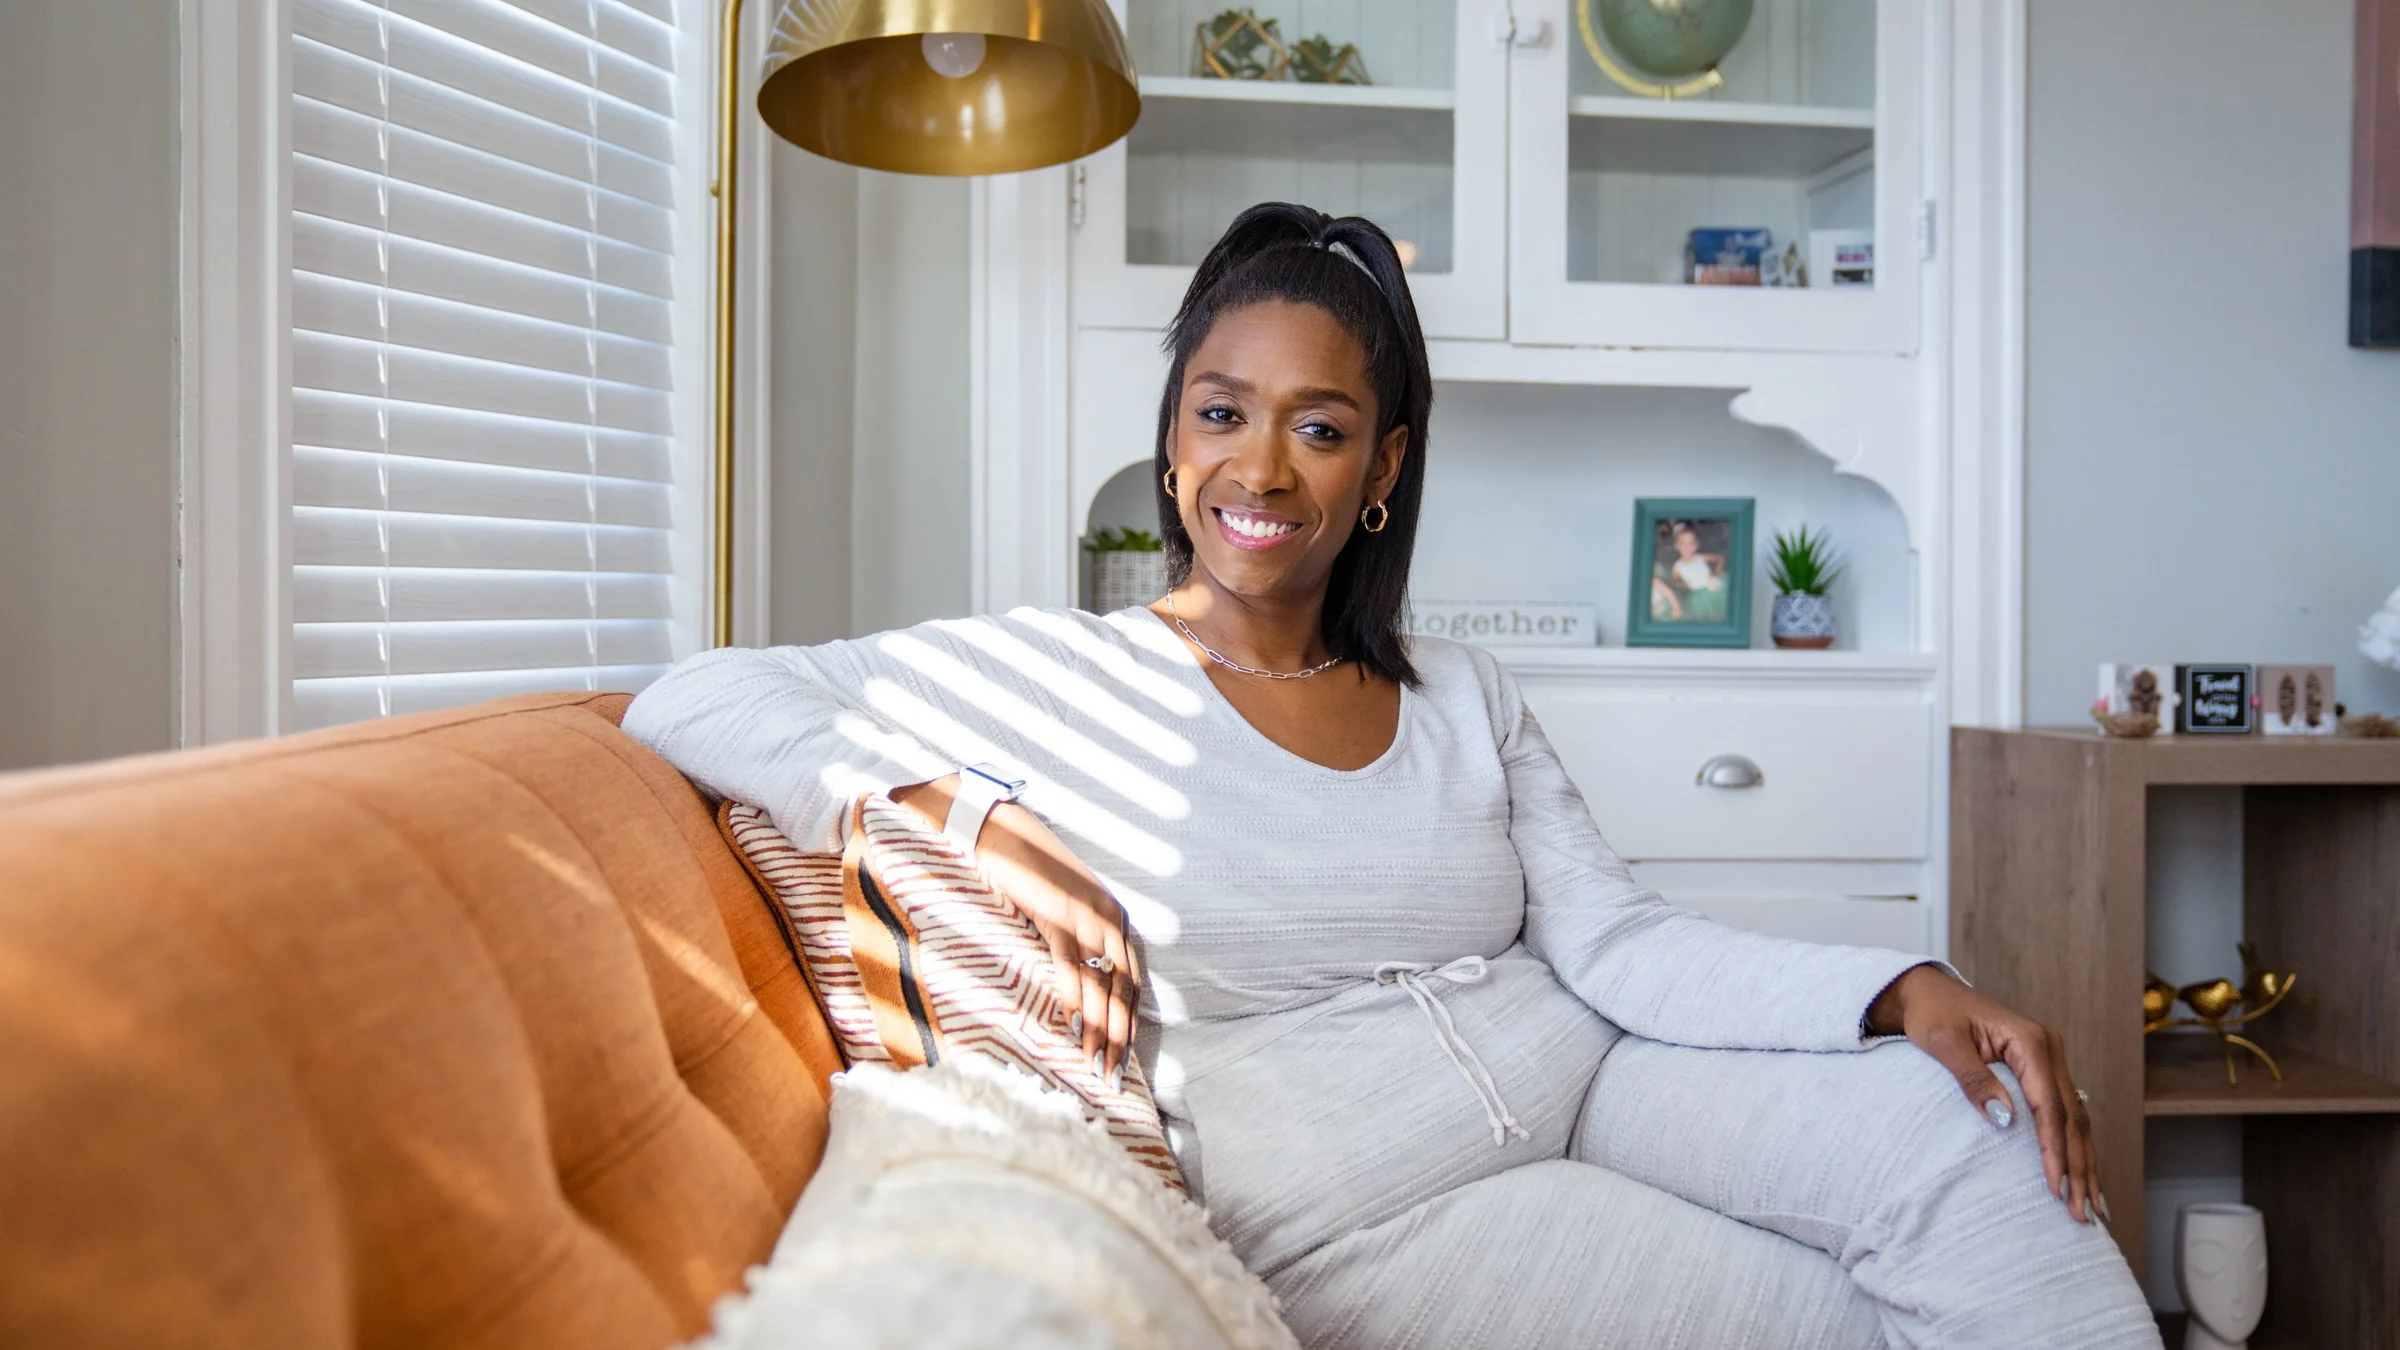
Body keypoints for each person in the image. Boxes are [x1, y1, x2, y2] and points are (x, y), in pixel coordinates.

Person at [622, 203, 2158, 1348]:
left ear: (1386, 469)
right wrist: (937, 810)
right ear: (1171, 446)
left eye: (1321, 425)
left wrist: (1896, 990)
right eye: (1220, 414)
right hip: (1371, 1208)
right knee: (1843, 1322)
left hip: (1596, 1079)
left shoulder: (1460, 691)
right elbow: (688, 694)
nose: (1262, 468)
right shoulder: (1066, 680)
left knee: (1972, 1140)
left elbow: (1617, 944)